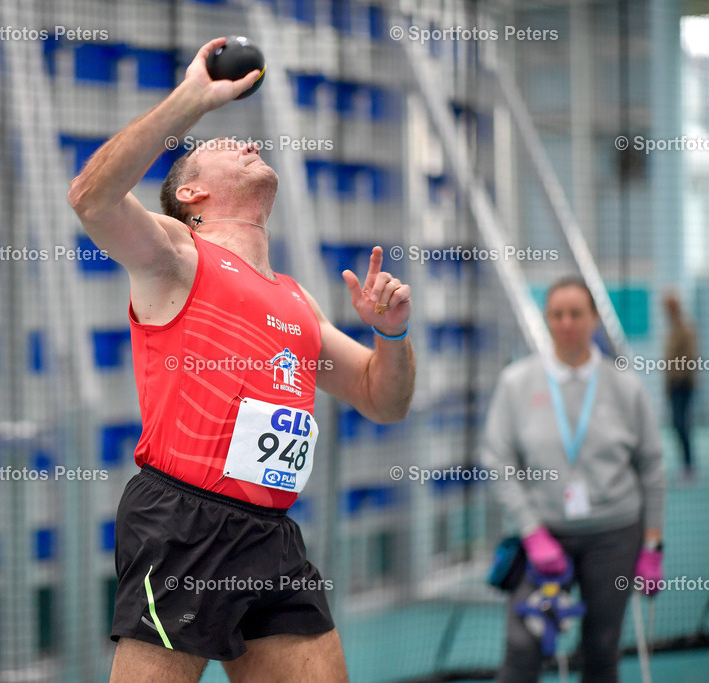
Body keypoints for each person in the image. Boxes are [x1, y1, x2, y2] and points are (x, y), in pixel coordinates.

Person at [67, 37, 416, 683]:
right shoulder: (177, 254)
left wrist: (392, 335)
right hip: (183, 521)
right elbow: (92, 196)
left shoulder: (296, 298)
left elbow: (382, 398)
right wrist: (193, 99)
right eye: (223, 147)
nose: (247, 143)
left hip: (272, 535)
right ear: (192, 193)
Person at [482, 275, 665, 682]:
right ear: (546, 319)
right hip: (545, 537)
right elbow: (498, 460)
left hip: (615, 535)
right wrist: (531, 532)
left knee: (601, 648)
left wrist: (653, 545)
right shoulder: (517, 384)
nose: (567, 323)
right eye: (557, 314)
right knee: (521, 645)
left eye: (576, 313)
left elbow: (652, 466)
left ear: (594, 319)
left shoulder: (625, 386)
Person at [663, 291, 699, 479]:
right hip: (674, 384)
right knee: (677, 424)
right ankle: (686, 464)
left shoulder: (685, 328)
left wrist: (679, 377)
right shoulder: (672, 329)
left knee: (682, 424)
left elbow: (689, 358)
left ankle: (689, 465)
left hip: (683, 384)